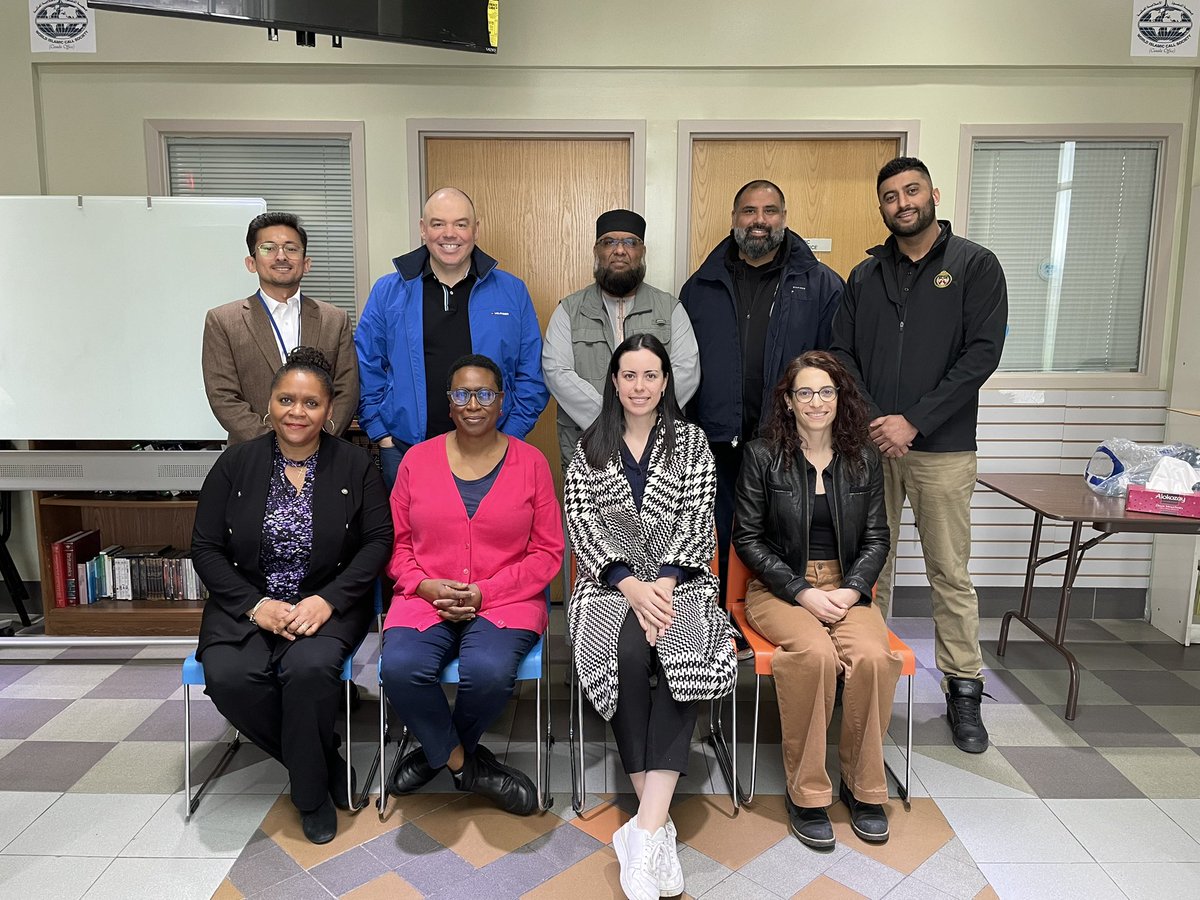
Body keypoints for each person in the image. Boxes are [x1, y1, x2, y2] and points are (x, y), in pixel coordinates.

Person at [831, 156, 1007, 754]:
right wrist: (881, 422)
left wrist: (917, 421)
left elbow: (981, 355)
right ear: (880, 206)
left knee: (949, 573)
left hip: (944, 450)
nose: (902, 202)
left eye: (911, 191)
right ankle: (865, 679)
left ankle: (963, 690)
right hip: (871, 446)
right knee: (868, 570)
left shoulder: (974, 266)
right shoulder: (865, 275)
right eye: (890, 196)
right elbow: (842, 353)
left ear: (932, 193)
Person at [191, 347, 392, 845]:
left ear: (329, 411)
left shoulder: (354, 465)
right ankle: (322, 762)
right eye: (287, 399)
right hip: (248, 604)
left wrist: (328, 600)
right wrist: (256, 606)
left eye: (311, 403)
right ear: (269, 403)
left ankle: (309, 797)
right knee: (229, 678)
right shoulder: (236, 463)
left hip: (324, 604)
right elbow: (205, 547)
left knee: (307, 671)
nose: (297, 412)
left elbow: (378, 542)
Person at [565, 333, 737, 900]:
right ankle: (655, 827)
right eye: (629, 376)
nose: (640, 387)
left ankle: (642, 831)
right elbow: (583, 527)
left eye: (651, 376)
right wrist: (631, 586)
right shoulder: (589, 445)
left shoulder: (691, 443)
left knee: (683, 648)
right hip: (610, 584)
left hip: (681, 581)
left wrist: (661, 585)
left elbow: (698, 522)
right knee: (625, 652)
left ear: (666, 382)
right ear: (614, 382)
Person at [380, 354, 563, 815]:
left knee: (487, 672)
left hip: (507, 601)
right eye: (462, 394)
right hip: (425, 598)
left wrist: (487, 592)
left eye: (485, 393)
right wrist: (423, 586)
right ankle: (468, 766)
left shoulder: (532, 463)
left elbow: (548, 553)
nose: (473, 404)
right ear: (449, 403)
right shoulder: (416, 462)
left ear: (502, 401)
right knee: (399, 668)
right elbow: (396, 547)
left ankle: (435, 754)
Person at [733, 351, 902, 850]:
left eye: (825, 391)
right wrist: (803, 592)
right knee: (814, 656)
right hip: (779, 588)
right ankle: (807, 794)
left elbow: (878, 538)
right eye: (804, 392)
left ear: (839, 398)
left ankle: (865, 787)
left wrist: (850, 591)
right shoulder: (763, 456)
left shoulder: (862, 458)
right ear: (788, 402)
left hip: (847, 587)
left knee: (872, 656)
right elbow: (748, 539)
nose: (815, 401)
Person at [680, 179, 844, 649]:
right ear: (734, 219)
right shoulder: (701, 286)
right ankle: (719, 627)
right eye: (749, 211)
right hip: (719, 438)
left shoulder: (820, 284)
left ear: (784, 218)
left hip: (789, 439)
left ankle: (790, 623)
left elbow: (834, 364)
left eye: (770, 211)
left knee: (789, 531)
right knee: (723, 532)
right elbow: (686, 366)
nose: (759, 220)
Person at [354, 187, 549, 488]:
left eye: (460, 224)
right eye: (438, 224)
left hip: (493, 451)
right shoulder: (388, 292)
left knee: (489, 534)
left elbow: (531, 373)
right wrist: (381, 434)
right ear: (422, 229)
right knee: (411, 536)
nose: (450, 234)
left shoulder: (511, 292)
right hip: (406, 450)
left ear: (475, 229)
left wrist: (511, 434)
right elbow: (367, 366)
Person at [542, 208, 699, 471]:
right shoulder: (569, 310)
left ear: (642, 252)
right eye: (609, 242)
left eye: (630, 242)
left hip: (656, 449)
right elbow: (556, 372)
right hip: (588, 446)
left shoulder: (670, 309)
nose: (619, 250)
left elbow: (687, 371)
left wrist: (644, 420)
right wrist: (612, 420)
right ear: (597, 251)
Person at [202, 212, 359, 444]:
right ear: (251, 263)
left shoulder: (334, 319)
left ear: (306, 263)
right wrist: (274, 446)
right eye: (268, 248)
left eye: (291, 249)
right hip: (251, 456)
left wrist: (317, 439)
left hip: (323, 454)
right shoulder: (223, 321)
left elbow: (347, 389)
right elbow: (223, 396)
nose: (281, 256)